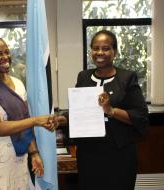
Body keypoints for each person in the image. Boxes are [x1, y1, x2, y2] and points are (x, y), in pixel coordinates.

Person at [56, 30, 149, 190]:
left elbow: (140, 116)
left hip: (119, 153)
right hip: (89, 153)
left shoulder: (127, 78)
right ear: (90, 51)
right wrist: (60, 119)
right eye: (96, 48)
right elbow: (78, 111)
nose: (100, 52)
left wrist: (110, 110)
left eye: (106, 48)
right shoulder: (83, 77)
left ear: (114, 52)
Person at [0, 37, 57, 190]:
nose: (5, 57)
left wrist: (34, 153)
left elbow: (24, 121)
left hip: (16, 161)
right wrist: (36, 120)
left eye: (7, 52)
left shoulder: (18, 83)